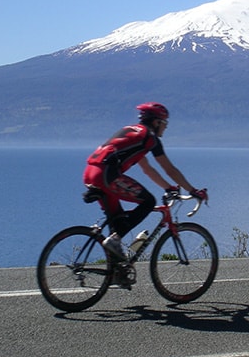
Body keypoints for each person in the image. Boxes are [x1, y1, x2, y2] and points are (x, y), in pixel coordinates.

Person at [83, 102, 208, 256]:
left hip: (91, 172)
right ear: (156, 122)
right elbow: (170, 169)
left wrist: (169, 188)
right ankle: (115, 240)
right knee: (148, 202)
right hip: (107, 175)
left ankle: (115, 271)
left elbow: (147, 169)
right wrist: (193, 190)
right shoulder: (150, 138)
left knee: (119, 221)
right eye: (164, 123)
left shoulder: (133, 133)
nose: (166, 127)